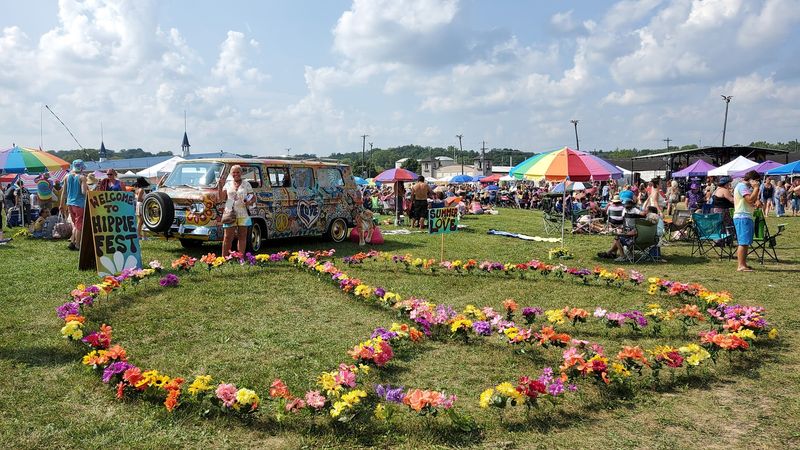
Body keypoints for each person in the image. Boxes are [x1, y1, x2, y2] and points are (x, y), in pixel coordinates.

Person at [218, 164, 255, 257]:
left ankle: (241, 257)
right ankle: (224, 258)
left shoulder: (246, 184)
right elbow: (222, 198)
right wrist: (220, 185)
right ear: (231, 174)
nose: (236, 174)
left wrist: (249, 202)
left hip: (243, 210)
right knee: (227, 237)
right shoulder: (228, 184)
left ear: (241, 173)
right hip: (230, 208)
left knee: (242, 236)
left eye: (238, 172)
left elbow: (252, 196)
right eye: (234, 172)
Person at [733, 170, 761, 272]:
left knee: (745, 242)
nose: (758, 183)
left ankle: (743, 264)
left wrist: (756, 201)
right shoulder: (742, 187)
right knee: (743, 242)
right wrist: (756, 188)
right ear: (752, 180)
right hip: (742, 216)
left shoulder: (746, 188)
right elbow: (749, 199)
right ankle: (741, 266)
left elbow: (750, 201)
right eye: (757, 181)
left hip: (746, 216)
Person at [60, 159, 88, 251]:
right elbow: (84, 192)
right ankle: (77, 245)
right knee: (79, 225)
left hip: (69, 204)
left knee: (75, 224)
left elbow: (63, 192)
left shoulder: (66, 176)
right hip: (79, 204)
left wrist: (61, 205)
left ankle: (72, 242)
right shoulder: (82, 177)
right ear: (81, 168)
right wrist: (90, 190)